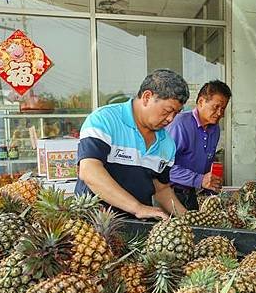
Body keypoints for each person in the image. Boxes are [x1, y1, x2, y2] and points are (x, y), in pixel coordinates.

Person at [75, 68, 188, 220]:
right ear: (147, 97)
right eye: (167, 111)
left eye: (176, 113)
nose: (170, 119)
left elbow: (161, 189)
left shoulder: (167, 144)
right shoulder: (104, 120)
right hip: (95, 228)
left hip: (138, 231)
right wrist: (137, 208)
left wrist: (188, 218)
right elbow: (89, 171)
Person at [167, 80, 232, 210]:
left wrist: (211, 180)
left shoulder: (215, 129)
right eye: (216, 107)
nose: (220, 113)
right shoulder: (180, 125)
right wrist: (199, 179)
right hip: (169, 194)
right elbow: (163, 168)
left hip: (191, 193)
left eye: (223, 109)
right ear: (201, 102)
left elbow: (208, 160)